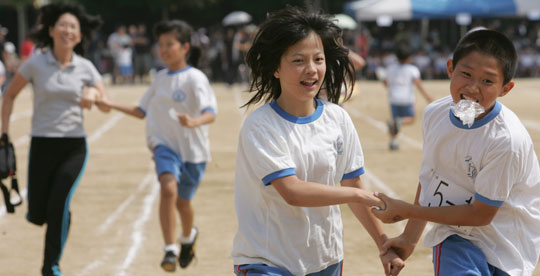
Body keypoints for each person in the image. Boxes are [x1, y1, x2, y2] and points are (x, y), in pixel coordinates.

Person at [231, 6, 404, 276]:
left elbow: (352, 181)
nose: (311, 70)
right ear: (276, 68)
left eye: (318, 59)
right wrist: (358, 194)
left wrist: (384, 244)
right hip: (267, 262)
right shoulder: (260, 126)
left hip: (326, 261)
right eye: (298, 60)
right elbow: (293, 192)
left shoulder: (338, 118)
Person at [373, 29, 540, 275]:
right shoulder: (434, 114)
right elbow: (431, 179)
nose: (472, 87)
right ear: (450, 68)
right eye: (466, 74)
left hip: (507, 246)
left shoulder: (506, 140)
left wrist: (407, 210)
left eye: (487, 81)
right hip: (455, 235)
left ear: (506, 88)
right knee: (452, 243)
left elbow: (480, 215)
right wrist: (409, 238)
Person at [98, 19, 217, 272]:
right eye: (160, 45)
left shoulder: (195, 78)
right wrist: (110, 104)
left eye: (169, 44)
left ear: (185, 47)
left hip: (193, 153)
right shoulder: (159, 78)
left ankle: (187, 237)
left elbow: (211, 113)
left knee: (183, 203)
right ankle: (169, 249)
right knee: (168, 188)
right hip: (164, 147)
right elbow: (141, 110)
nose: (163, 50)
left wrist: (194, 121)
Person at [0, 3, 109, 276]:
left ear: (80, 36)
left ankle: (51, 266)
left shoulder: (85, 67)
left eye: (74, 27)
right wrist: (4, 132)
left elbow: (105, 101)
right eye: (63, 25)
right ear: (50, 30)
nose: (68, 30)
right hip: (42, 144)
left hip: (73, 146)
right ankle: (57, 223)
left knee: (60, 200)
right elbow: (10, 95)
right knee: (38, 213)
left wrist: (94, 96)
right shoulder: (36, 63)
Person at [383, 44, 433, 150]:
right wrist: (428, 97)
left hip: (393, 98)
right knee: (411, 119)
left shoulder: (390, 68)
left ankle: (393, 141)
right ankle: (400, 122)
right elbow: (418, 85)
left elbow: (385, 83)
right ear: (409, 58)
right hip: (407, 98)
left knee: (394, 121)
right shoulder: (412, 69)